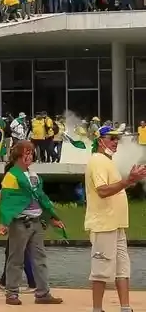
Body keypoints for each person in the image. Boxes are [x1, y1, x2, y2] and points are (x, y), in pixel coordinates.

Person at [85, 126, 146, 312]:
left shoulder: (108, 161)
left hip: (117, 224)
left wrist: (130, 180)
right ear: (100, 140)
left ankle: (125, 308)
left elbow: (114, 189)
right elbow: (102, 191)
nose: (115, 141)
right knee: (101, 271)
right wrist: (128, 181)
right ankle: (97, 309)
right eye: (111, 138)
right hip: (103, 224)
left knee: (122, 270)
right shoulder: (97, 161)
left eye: (117, 139)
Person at [0, 141, 63, 306]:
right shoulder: (11, 176)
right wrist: (5, 222)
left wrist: (52, 218)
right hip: (20, 223)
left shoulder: (34, 176)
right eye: (27, 153)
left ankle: (43, 293)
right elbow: (8, 201)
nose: (30, 156)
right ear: (18, 156)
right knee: (16, 259)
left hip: (36, 221)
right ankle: (12, 293)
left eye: (31, 153)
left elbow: (41, 199)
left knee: (40, 258)